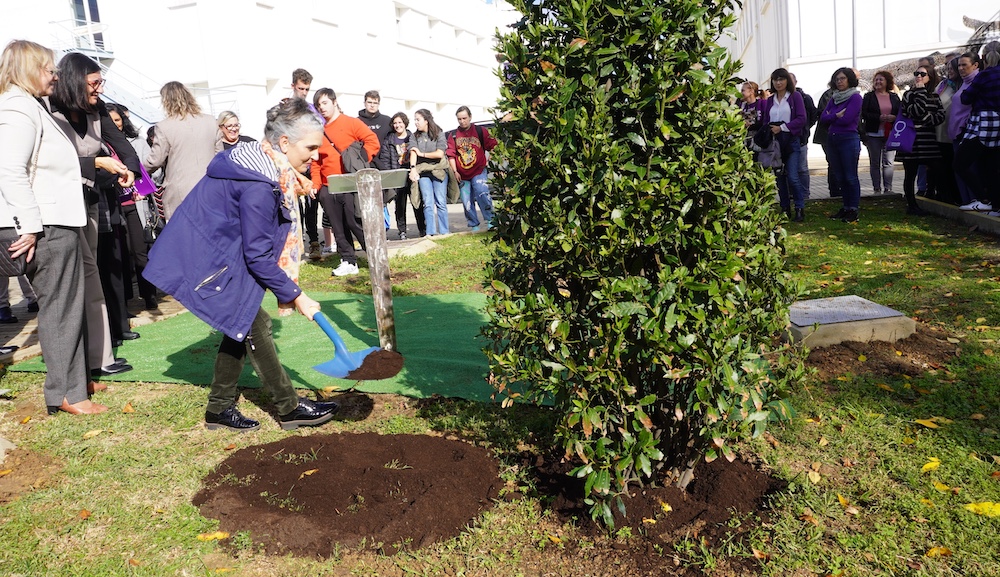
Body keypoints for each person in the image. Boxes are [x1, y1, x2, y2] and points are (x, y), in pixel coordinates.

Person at [144, 98, 338, 432]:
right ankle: (289, 408)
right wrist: (297, 296)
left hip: (213, 253)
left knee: (243, 321)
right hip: (203, 260)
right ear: (284, 143)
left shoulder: (258, 162)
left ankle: (219, 409)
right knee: (254, 323)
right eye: (311, 147)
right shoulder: (258, 184)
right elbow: (257, 255)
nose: (316, 155)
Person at [0, 39, 106, 414]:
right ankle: (65, 393)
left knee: (68, 305)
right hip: (43, 225)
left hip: (55, 221)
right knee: (60, 308)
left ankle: (75, 382)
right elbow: (10, 171)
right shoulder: (16, 107)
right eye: (49, 69)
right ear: (29, 70)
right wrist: (28, 226)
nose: (56, 76)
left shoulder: (30, 105)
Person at [48, 52, 138, 375]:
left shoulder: (97, 110)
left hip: (89, 201)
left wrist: (129, 169)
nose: (100, 88)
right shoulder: (48, 110)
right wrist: (96, 162)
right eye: (95, 82)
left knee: (90, 275)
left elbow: (124, 147)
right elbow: (49, 163)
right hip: (57, 207)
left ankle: (100, 357)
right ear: (75, 80)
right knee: (72, 282)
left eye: (101, 81)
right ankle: (81, 361)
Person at [311, 88, 378, 276]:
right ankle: (348, 260)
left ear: (334, 102)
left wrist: (360, 161)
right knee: (337, 227)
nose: (322, 108)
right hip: (328, 186)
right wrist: (315, 185)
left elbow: (372, 141)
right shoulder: (318, 131)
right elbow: (316, 161)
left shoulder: (351, 122)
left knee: (355, 222)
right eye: (318, 105)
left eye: (325, 103)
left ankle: (375, 257)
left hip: (350, 182)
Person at [106, 102, 158, 311]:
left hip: (136, 205)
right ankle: (125, 301)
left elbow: (152, 172)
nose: (115, 124)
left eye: (118, 120)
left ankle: (149, 295)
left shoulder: (137, 143)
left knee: (140, 251)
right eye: (110, 121)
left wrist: (143, 189)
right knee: (120, 255)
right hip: (113, 207)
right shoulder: (100, 146)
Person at [145, 81, 217, 221]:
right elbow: (220, 155)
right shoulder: (211, 121)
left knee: (185, 230)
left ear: (166, 101)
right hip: (211, 187)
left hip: (181, 191)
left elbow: (155, 160)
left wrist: (139, 172)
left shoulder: (164, 127)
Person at [954, 46, 1000, 216]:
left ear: (983, 58)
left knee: (960, 163)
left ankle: (983, 199)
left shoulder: (984, 75)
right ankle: (996, 206)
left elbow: (966, 98)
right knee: (992, 167)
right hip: (998, 122)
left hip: (983, 121)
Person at [760, 68, 808, 221]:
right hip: (775, 143)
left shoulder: (795, 96)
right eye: (775, 80)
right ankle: (785, 208)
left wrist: (782, 127)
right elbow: (766, 120)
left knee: (793, 177)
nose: (778, 83)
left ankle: (799, 207)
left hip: (791, 140)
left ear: (787, 80)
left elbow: (801, 118)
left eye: (781, 79)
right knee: (780, 177)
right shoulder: (770, 100)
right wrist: (769, 129)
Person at [897, 65, 945, 216]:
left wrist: (925, 119)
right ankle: (912, 205)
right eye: (916, 73)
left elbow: (940, 116)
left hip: (928, 141)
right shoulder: (908, 95)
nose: (918, 76)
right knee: (910, 174)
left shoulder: (935, 96)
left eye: (922, 74)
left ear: (930, 77)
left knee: (937, 168)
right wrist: (920, 92)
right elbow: (913, 112)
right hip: (912, 140)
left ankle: (933, 195)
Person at [819, 67, 863, 223]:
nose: (839, 81)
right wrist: (836, 115)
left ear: (850, 79)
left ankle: (853, 209)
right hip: (833, 138)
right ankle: (846, 206)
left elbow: (847, 119)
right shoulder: (834, 97)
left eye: (842, 78)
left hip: (848, 139)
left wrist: (832, 116)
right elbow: (823, 118)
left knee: (850, 176)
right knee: (840, 176)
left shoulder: (855, 97)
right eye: (837, 79)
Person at [447, 106, 498, 231]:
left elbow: (494, 145)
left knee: (482, 192)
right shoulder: (453, 135)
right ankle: (473, 224)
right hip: (462, 174)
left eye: (464, 118)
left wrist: (489, 160)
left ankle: (491, 220)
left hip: (478, 170)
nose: (462, 121)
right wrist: (455, 171)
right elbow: (451, 155)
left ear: (470, 117)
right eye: (459, 119)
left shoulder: (480, 131)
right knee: (466, 200)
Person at [378, 112, 425, 239]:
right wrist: (390, 175)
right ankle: (402, 231)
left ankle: (422, 229)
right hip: (397, 175)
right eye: (395, 123)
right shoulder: (389, 140)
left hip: (411, 173)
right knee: (400, 205)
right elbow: (385, 159)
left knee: (417, 202)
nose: (397, 125)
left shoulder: (412, 137)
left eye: (400, 122)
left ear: (405, 123)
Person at [409, 109, 451, 234]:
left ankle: (444, 232)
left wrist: (422, 154)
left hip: (439, 170)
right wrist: (413, 169)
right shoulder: (414, 136)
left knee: (441, 202)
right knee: (427, 202)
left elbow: (439, 154)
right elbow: (413, 152)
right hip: (423, 172)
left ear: (426, 120)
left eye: (418, 119)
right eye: (415, 120)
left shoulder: (439, 133)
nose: (416, 122)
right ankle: (430, 232)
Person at [860, 70, 901, 195]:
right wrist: (878, 117)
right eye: (876, 80)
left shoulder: (894, 97)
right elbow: (864, 114)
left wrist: (894, 117)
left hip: (890, 133)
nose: (878, 82)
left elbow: (900, 112)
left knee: (888, 162)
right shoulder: (869, 96)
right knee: (875, 162)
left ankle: (888, 188)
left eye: (881, 79)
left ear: (887, 82)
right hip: (873, 134)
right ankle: (876, 189)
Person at [952, 52, 983, 209]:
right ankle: (967, 201)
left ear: (975, 65)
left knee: (969, 168)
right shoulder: (964, 83)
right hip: (957, 133)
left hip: (968, 131)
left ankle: (976, 200)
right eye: (959, 65)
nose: (961, 68)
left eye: (964, 64)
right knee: (959, 168)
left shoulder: (977, 81)